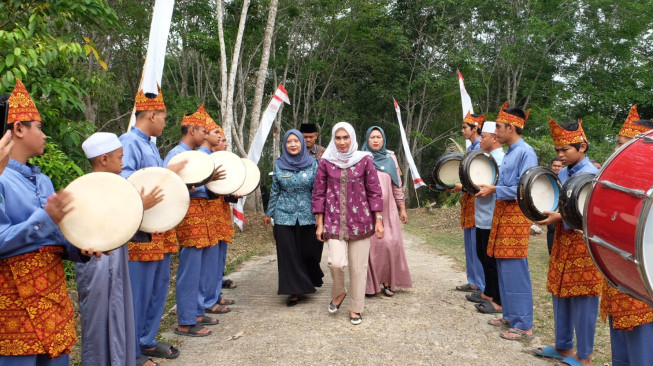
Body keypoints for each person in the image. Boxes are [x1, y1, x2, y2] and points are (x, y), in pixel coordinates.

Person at [0, 78, 97, 366]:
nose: (44, 135)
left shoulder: (42, 179)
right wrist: (45, 218)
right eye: (39, 127)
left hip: (52, 296)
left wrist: (78, 248)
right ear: (18, 128)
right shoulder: (2, 178)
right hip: (15, 302)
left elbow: (56, 235)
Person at [76, 132, 164, 366]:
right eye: (119, 157)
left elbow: (122, 227)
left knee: (120, 313)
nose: (123, 163)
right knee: (98, 320)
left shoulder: (117, 187)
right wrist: (139, 206)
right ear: (104, 159)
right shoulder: (86, 188)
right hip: (95, 263)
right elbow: (98, 224)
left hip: (117, 259)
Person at [531, 118, 603, 366]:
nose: (560, 155)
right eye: (557, 150)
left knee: (583, 297)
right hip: (563, 239)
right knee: (560, 291)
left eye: (565, 150)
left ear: (582, 147)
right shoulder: (564, 172)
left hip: (583, 244)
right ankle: (563, 346)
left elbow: (591, 212)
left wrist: (559, 216)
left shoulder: (592, 175)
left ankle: (584, 356)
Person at [119, 85, 181, 364]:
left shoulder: (149, 145)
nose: (166, 123)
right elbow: (124, 180)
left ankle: (146, 340)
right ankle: (131, 350)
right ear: (153, 115)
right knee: (138, 293)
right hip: (141, 231)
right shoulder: (129, 142)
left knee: (156, 289)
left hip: (159, 229)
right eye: (165, 117)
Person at [476, 102, 538, 340]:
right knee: (503, 267)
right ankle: (510, 315)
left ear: (512, 128)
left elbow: (526, 188)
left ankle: (524, 324)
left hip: (516, 218)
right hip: (502, 216)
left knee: (515, 270)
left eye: (499, 127)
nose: (497, 131)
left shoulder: (526, 152)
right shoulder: (511, 152)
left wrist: (494, 189)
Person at [312, 122, 383, 325]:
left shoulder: (364, 160)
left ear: (352, 138)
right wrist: (319, 223)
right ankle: (339, 291)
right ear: (333, 139)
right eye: (338, 138)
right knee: (336, 262)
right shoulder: (326, 162)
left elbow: (374, 191)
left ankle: (356, 308)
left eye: (346, 138)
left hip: (361, 221)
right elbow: (318, 193)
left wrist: (378, 220)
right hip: (334, 222)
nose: (342, 142)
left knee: (359, 268)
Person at [599, 104, 653, 366]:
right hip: (620, 279)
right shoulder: (617, 183)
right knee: (621, 351)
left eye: (622, 145)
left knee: (642, 349)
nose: (615, 152)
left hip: (643, 289)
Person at [162, 105, 221, 337]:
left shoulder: (195, 155)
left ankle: (195, 312)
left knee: (198, 269)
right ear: (193, 130)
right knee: (189, 270)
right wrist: (194, 185)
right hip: (188, 217)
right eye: (203, 131)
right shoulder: (177, 155)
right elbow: (168, 184)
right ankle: (185, 321)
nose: (205, 136)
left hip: (201, 216)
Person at [264, 129, 324, 306]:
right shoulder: (279, 164)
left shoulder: (313, 163)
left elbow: (319, 191)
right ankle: (294, 290)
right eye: (289, 141)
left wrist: (321, 215)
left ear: (302, 143)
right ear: (285, 144)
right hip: (284, 215)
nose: (293, 144)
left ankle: (310, 277)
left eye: (296, 141)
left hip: (308, 215)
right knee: (288, 254)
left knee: (309, 253)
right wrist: (269, 213)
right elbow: (275, 190)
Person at [361, 126, 412, 297]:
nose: (375, 140)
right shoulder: (362, 158)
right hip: (367, 211)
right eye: (372, 137)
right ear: (367, 139)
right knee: (371, 248)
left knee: (390, 244)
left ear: (383, 139)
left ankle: (389, 281)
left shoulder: (391, 159)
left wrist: (402, 208)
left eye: (378, 137)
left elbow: (396, 185)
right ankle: (371, 285)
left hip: (389, 211)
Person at [200, 110, 237, 314]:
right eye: (218, 135)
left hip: (218, 213)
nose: (222, 141)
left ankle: (214, 296)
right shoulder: (201, 157)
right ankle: (208, 299)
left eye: (223, 138)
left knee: (217, 260)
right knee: (208, 263)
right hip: (207, 214)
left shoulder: (215, 159)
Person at [470, 122, 505, 314]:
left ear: (495, 138)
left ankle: (496, 297)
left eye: (484, 137)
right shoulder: (487, 157)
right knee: (483, 255)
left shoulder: (500, 159)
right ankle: (488, 293)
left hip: (493, 215)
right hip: (482, 214)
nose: (480, 140)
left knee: (491, 259)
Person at [454, 112, 486, 295]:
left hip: (478, 200)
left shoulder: (481, 148)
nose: (463, 130)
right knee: (470, 243)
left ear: (475, 128)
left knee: (477, 244)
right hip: (468, 200)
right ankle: (473, 281)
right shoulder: (471, 148)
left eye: (465, 127)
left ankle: (481, 284)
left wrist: (463, 186)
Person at [547, 158, 563, 255]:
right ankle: (551, 252)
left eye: (559, 166)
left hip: (562, 207)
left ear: (562, 167)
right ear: (551, 166)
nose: (556, 168)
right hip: (551, 205)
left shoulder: (565, 176)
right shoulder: (547, 176)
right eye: (554, 166)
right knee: (551, 229)